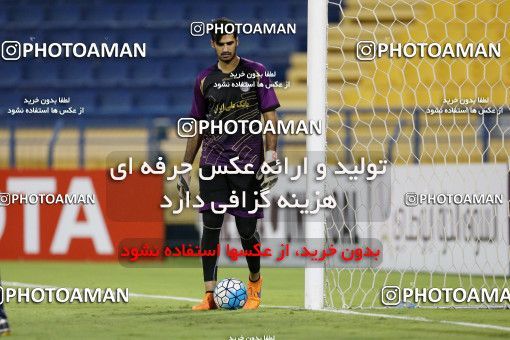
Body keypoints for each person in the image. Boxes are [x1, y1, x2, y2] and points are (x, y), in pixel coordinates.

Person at [178, 18, 280, 310]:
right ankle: (209, 295)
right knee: (210, 224)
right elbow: (196, 126)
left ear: (237, 42)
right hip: (212, 161)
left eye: (230, 42)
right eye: (220, 43)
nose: (225, 48)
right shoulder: (203, 80)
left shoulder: (256, 73)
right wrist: (186, 166)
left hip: (247, 163)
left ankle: (255, 282)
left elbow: (270, 117)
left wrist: (271, 157)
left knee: (247, 229)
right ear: (212, 44)